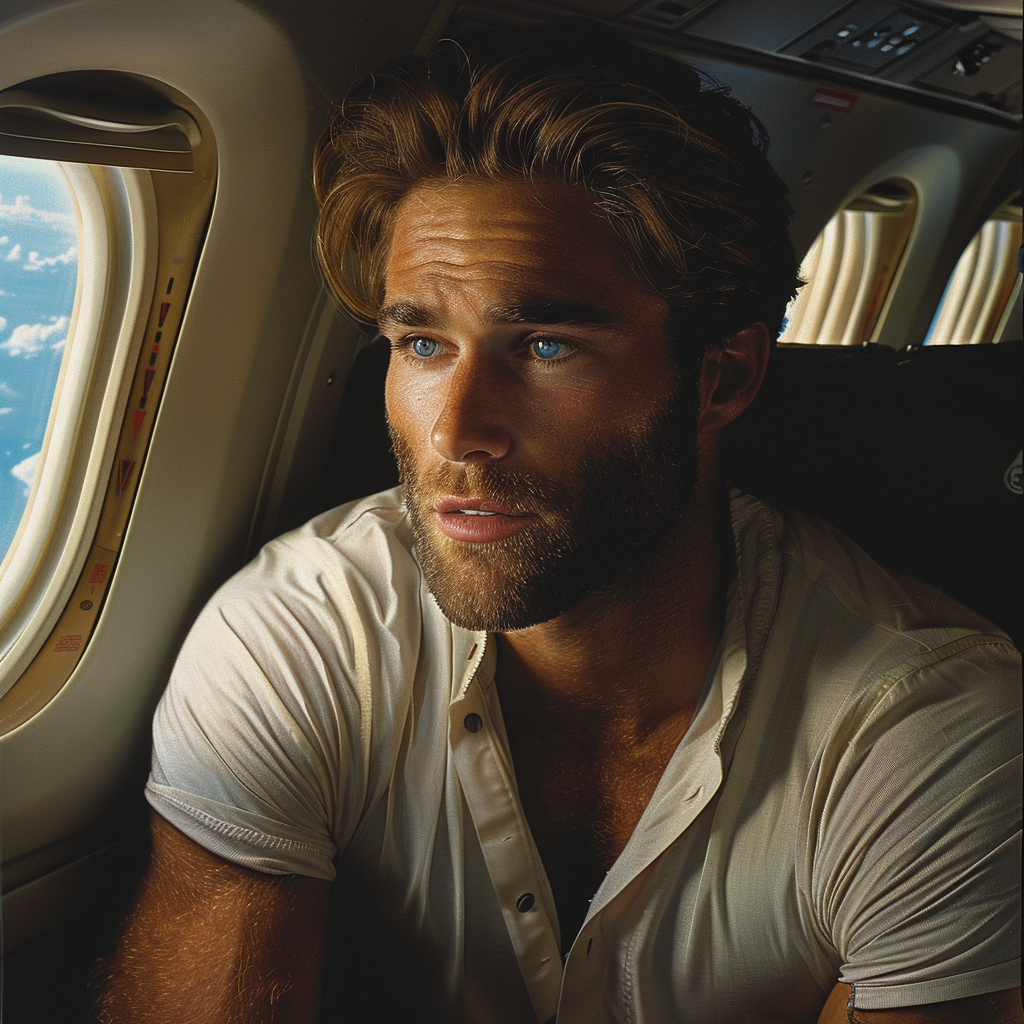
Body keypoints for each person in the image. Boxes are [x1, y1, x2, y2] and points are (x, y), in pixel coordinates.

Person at [98, 22, 1021, 1024]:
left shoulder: (925, 732)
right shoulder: (302, 631)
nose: (457, 431)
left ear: (722, 376)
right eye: (419, 342)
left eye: (541, 344)